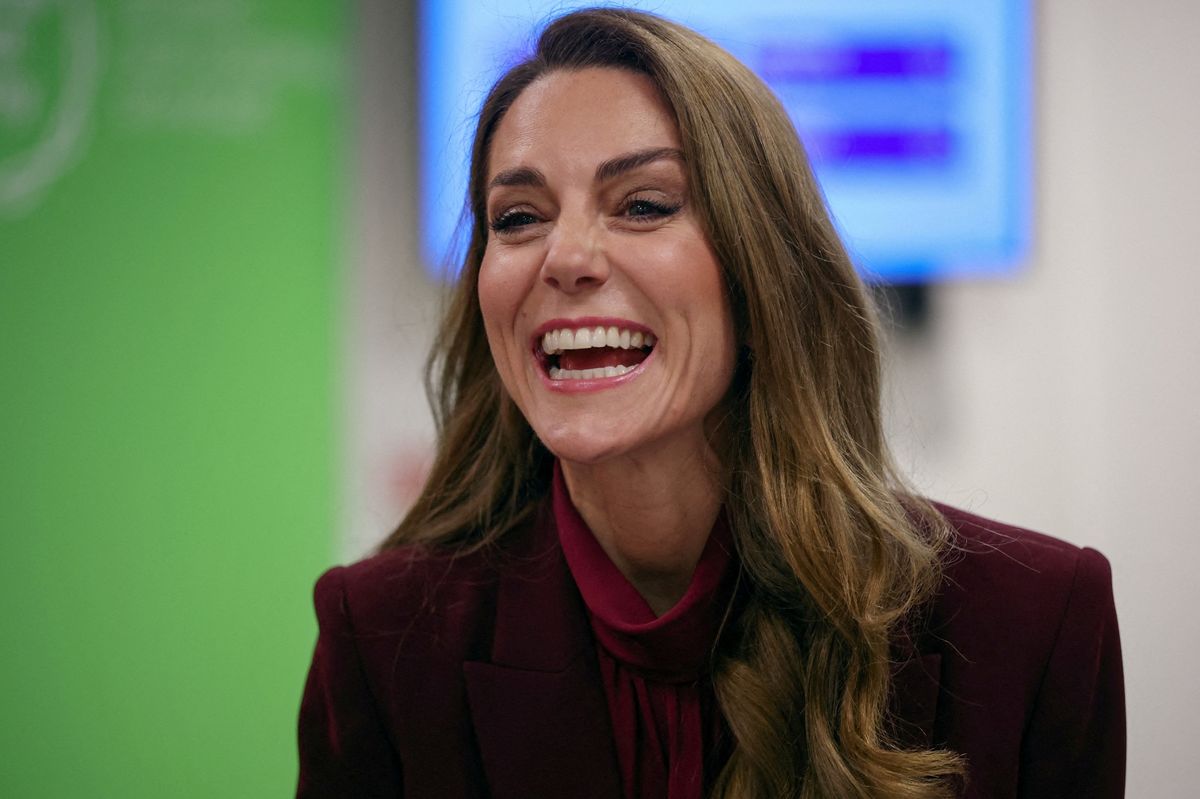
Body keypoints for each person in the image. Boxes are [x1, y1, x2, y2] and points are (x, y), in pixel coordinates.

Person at [297, 8, 1124, 798]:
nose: (567, 256)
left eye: (644, 205)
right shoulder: (380, 643)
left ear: (762, 269)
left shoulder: (1035, 625)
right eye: (518, 217)